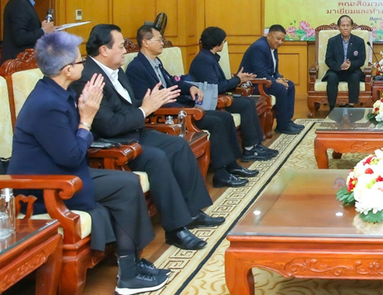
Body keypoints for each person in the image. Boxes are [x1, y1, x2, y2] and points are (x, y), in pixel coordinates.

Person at [8, 32, 169, 294]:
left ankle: (133, 264)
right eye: (80, 60)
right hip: (45, 187)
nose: (84, 64)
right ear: (68, 69)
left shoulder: (58, 92)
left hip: (66, 174)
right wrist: (86, 119)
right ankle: (128, 275)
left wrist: (86, 116)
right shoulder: (46, 103)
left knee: (129, 182)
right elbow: (71, 154)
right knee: (127, 186)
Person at [72, 24, 224, 251]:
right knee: (157, 157)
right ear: (104, 50)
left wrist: (151, 102)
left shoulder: (117, 70)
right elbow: (108, 125)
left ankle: (193, 211)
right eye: (122, 46)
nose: (126, 50)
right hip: (112, 143)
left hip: (132, 131)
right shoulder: (88, 78)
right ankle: (176, 229)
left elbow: (126, 106)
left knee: (178, 145)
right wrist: (145, 109)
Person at [126, 25, 262, 188]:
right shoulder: (137, 68)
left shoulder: (155, 62)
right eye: (159, 39)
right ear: (146, 42)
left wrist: (190, 87)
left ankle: (231, 166)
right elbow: (147, 100)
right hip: (169, 113)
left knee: (224, 117)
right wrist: (184, 107)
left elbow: (173, 82)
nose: (162, 42)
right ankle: (221, 174)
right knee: (216, 121)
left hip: (180, 106)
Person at [188, 26, 275, 161]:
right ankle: (250, 149)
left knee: (249, 102)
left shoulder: (210, 57)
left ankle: (255, 144)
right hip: (213, 100)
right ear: (217, 43)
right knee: (246, 104)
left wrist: (239, 80)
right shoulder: (203, 60)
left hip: (221, 95)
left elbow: (220, 82)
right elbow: (215, 87)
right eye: (223, 41)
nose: (224, 43)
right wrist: (237, 79)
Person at [239, 25, 304, 135]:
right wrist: (275, 81)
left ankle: (287, 121)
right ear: (268, 36)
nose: (280, 42)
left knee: (290, 85)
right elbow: (259, 72)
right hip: (252, 84)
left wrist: (279, 78)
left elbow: (274, 70)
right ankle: (282, 126)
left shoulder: (272, 47)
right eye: (278, 39)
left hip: (266, 80)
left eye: (282, 40)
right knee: (280, 89)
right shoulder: (259, 47)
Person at [1, 0, 54, 64]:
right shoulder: (19, 4)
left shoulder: (22, 2)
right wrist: (43, 31)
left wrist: (43, 28)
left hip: (23, 63)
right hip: (18, 65)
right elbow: (20, 38)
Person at [323, 15, 366, 110]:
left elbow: (361, 60)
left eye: (348, 25)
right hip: (336, 70)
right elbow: (328, 59)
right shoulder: (332, 41)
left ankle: (351, 106)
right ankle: (332, 107)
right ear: (338, 27)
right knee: (331, 77)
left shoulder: (359, 41)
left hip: (352, 70)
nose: (345, 28)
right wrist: (340, 66)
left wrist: (351, 65)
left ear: (352, 27)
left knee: (355, 77)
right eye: (343, 25)